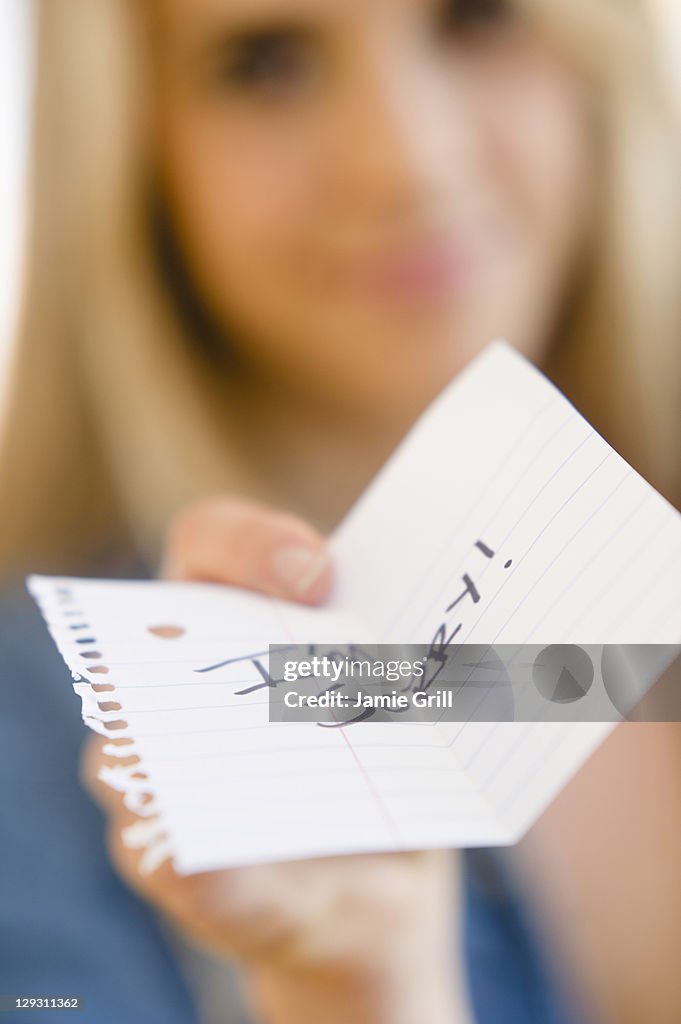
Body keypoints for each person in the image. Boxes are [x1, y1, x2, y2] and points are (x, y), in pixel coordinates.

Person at [0, 0, 680, 1021]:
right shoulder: (46, 742)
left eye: (479, 17)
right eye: (265, 62)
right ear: (134, 144)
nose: (407, 160)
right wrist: (358, 984)